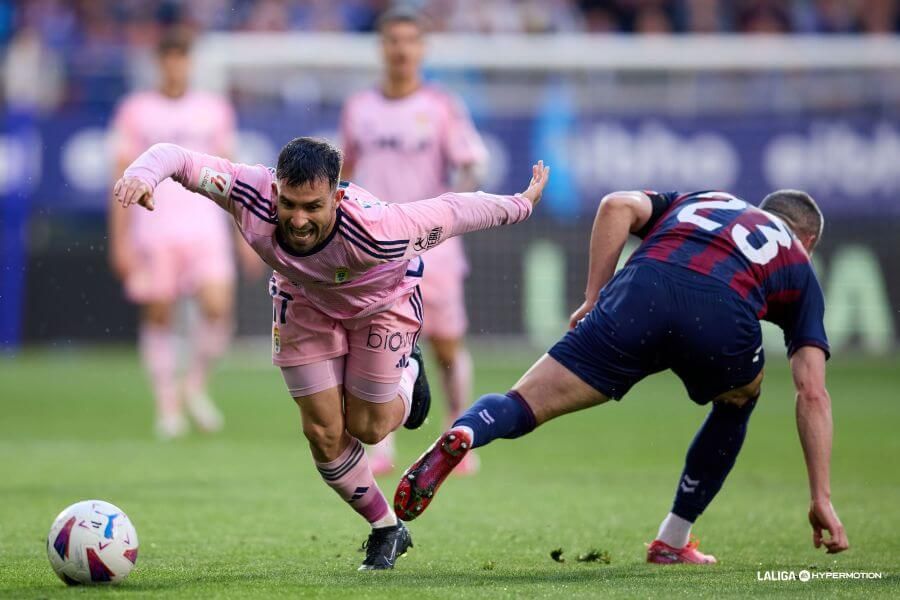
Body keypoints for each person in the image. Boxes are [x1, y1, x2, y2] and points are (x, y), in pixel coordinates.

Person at [113, 137, 549, 570]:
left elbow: (454, 211)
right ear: (276, 189)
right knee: (323, 432)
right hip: (302, 303)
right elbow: (179, 157)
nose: (298, 220)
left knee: (370, 427)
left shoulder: (380, 228)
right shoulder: (249, 192)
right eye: (288, 204)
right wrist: (141, 174)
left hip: (383, 306)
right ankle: (386, 528)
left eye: (312, 207)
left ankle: (409, 374)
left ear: (337, 197)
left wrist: (521, 204)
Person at [395, 189, 850, 563]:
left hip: (641, 291)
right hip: (721, 314)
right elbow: (812, 393)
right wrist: (820, 496)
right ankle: (672, 540)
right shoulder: (798, 264)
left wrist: (594, 297)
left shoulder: (706, 199)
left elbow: (616, 206)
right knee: (738, 400)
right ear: (808, 242)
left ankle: (466, 431)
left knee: (524, 401)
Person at [340, 8, 488, 475]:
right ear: (381, 48)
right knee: (375, 340)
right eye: (392, 41)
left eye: (409, 41)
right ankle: (379, 441)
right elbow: (343, 171)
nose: (401, 49)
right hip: (375, 243)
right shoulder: (359, 108)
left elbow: (470, 161)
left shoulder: (441, 106)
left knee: (446, 344)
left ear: (421, 49)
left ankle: (457, 435)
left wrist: (456, 206)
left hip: (432, 242)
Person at [108, 28, 255, 439]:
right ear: (159, 63)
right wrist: (119, 239)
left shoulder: (214, 110)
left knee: (217, 307)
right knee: (159, 312)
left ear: (189, 63)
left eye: (181, 58)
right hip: (153, 228)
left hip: (205, 226)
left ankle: (193, 385)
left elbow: (232, 177)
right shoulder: (135, 110)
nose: (175, 66)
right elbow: (118, 176)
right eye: (168, 59)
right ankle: (167, 404)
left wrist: (243, 233)